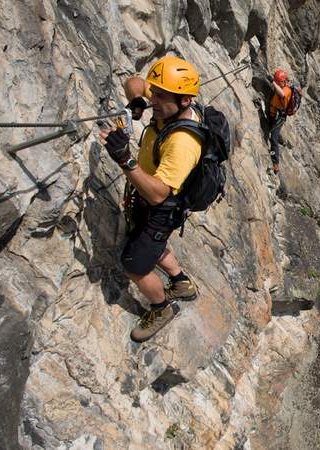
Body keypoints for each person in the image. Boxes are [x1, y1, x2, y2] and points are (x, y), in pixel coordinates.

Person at [100, 55, 202, 342]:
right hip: (152, 199)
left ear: (183, 101)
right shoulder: (169, 102)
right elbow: (132, 82)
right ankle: (181, 283)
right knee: (150, 242)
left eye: (159, 96)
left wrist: (125, 160)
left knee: (134, 262)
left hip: (161, 206)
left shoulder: (183, 142)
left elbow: (158, 194)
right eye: (153, 94)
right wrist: (136, 100)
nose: (152, 100)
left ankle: (161, 308)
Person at [267, 68, 293, 174]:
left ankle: (275, 163)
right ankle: (280, 138)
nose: (278, 83)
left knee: (273, 138)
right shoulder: (280, 86)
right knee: (271, 129)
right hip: (274, 113)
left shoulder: (287, 90)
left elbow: (282, 94)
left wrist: (273, 82)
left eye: (279, 82)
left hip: (280, 117)